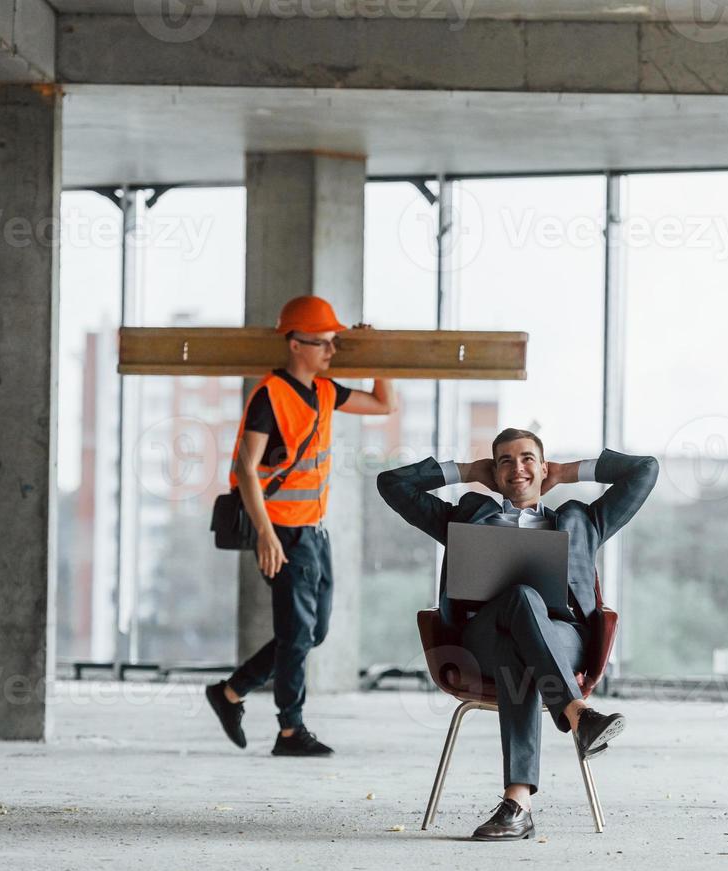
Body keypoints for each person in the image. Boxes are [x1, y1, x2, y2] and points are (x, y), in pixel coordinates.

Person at [377, 429, 658, 840]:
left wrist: (569, 472)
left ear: (544, 467)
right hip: (480, 641)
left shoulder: (583, 520)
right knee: (520, 601)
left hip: (563, 638)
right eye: (504, 461)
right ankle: (578, 716)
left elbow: (644, 471)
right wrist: (467, 471)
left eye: (528, 458)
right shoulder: (466, 516)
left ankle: (518, 803)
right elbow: (393, 484)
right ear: (494, 470)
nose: (517, 468)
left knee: (521, 640)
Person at [204, 295, 398, 757]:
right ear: (295, 344)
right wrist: (267, 535)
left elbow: (383, 404)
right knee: (296, 634)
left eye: (334, 342)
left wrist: (378, 355)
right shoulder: (269, 396)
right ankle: (290, 730)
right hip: (282, 533)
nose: (331, 351)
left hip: (313, 530)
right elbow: (247, 468)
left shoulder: (326, 392)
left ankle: (231, 692)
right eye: (323, 343)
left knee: (314, 631)